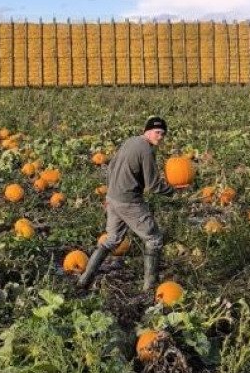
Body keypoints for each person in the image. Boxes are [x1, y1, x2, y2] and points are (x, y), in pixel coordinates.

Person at [78, 116, 187, 291]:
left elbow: (111, 167)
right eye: (158, 132)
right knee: (154, 239)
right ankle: (149, 288)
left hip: (113, 198)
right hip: (129, 202)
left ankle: (84, 280)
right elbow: (153, 185)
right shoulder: (146, 150)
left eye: (163, 134)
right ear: (148, 131)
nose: (160, 137)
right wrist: (174, 191)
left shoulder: (130, 142)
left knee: (112, 239)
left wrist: (109, 195)